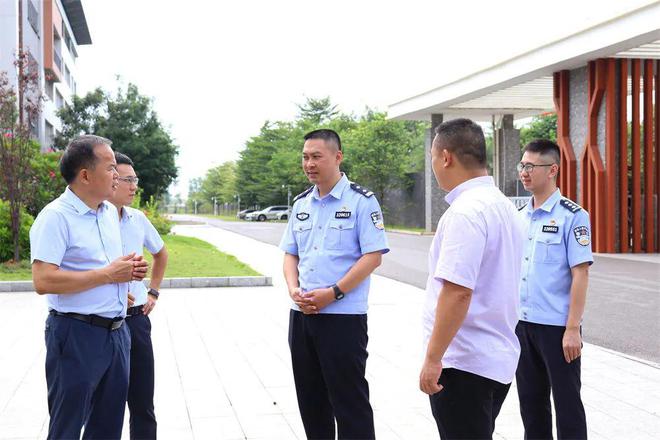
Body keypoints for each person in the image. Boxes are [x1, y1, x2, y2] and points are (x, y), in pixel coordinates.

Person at [30, 135, 148, 439]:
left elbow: (99, 268)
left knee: (107, 427)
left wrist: (122, 280)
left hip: (117, 333)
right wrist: (109, 276)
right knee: (67, 427)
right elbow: (43, 280)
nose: (117, 176)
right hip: (75, 334)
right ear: (85, 175)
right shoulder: (55, 217)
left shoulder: (108, 213)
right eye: (110, 168)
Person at [279, 129, 389, 440]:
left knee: (349, 403)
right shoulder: (301, 204)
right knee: (311, 402)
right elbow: (290, 254)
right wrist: (292, 289)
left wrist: (334, 292)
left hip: (343, 318)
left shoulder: (361, 202)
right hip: (302, 317)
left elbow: (373, 256)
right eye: (305, 157)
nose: (309, 163)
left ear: (337, 157)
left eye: (316, 156)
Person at [419, 118, 525, 440]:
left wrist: (433, 358)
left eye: (433, 158)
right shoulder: (503, 206)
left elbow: (457, 292)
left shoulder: (466, 213)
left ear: (446, 157)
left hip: (463, 362)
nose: (434, 166)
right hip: (494, 358)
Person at [515, 139, 592, 440]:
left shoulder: (572, 217)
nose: (524, 172)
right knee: (531, 407)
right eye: (522, 165)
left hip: (558, 329)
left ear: (552, 170)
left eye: (531, 166)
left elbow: (580, 274)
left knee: (568, 405)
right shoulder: (520, 216)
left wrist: (573, 328)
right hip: (524, 326)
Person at [108, 151, 168, 440]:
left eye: (135, 180)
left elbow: (161, 253)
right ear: (110, 179)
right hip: (104, 323)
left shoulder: (137, 218)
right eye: (127, 179)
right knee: (105, 404)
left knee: (143, 402)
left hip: (136, 322)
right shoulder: (94, 220)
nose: (134, 186)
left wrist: (152, 291)